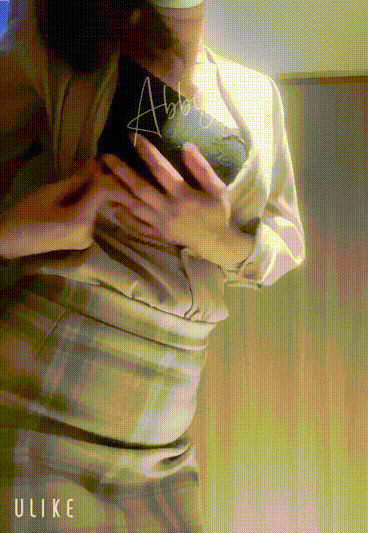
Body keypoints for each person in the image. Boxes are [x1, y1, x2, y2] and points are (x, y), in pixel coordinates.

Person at [0, 0, 305, 531]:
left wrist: (215, 238)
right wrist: (10, 235)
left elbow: (283, 247)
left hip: (165, 443)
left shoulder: (257, 95)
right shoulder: (56, 46)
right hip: (40, 403)